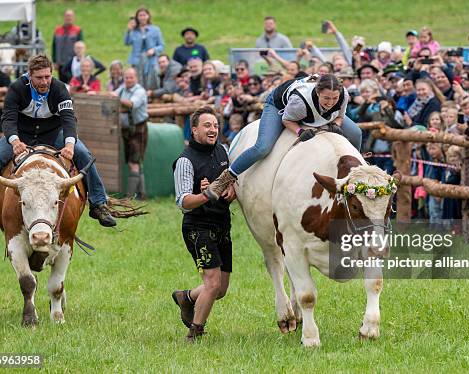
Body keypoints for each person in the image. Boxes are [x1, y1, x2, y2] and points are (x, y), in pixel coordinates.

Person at [0, 55, 116, 236]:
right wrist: (14, 141)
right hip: (21, 134)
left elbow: (69, 119)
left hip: (53, 133)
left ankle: (99, 204)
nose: (44, 81)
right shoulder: (16, 89)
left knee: (83, 154)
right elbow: (8, 119)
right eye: (39, 78)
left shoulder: (60, 89)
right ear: (29, 75)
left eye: (47, 77)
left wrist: (69, 145)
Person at [205, 74, 363, 201]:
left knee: (356, 133)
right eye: (326, 98)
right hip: (280, 106)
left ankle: (359, 171)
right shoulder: (300, 102)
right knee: (262, 147)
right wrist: (300, 132)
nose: (330, 102)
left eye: (334, 98)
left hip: (315, 113)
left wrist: (335, 124)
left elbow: (340, 117)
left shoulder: (343, 95)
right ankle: (223, 180)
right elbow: (287, 120)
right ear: (317, 92)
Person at [172, 106, 236, 342]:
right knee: (212, 283)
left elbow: (231, 180)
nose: (213, 130)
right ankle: (194, 333)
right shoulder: (185, 161)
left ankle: (186, 297)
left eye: (216, 125)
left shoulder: (223, 150)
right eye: (207, 126)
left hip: (222, 225)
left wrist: (231, 190)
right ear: (194, 129)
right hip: (198, 227)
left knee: (220, 289)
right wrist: (207, 195)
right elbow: (183, 202)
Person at [115, 68, 149, 200]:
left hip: (138, 130)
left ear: (136, 78)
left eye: (131, 77)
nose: (128, 80)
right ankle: (142, 194)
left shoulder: (140, 91)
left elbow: (131, 104)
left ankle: (129, 196)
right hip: (127, 130)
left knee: (134, 162)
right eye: (126, 77)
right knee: (134, 162)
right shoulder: (122, 89)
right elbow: (112, 94)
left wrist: (116, 98)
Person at [124, 6, 165, 87]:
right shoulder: (134, 30)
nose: (142, 17)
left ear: (148, 16)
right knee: (138, 82)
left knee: (152, 81)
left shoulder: (155, 29)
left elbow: (161, 45)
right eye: (140, 15)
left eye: (144, 15)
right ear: (137, 17)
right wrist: (128, 31)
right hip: (137, 61)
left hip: (151, 61)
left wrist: (154, 50)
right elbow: (127, 42)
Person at [52, 9, 83, 83]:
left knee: (73, 82)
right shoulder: (58, 30)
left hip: (73, 63)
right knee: (62, 84)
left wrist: (80, 59)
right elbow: (54, 46)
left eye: (71, 16)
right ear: (64, 17)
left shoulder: (77, 30)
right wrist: (55, 61)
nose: (69, 18)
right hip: (61, 63)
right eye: (67, 16)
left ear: (74, 18)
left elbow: (81, 46)